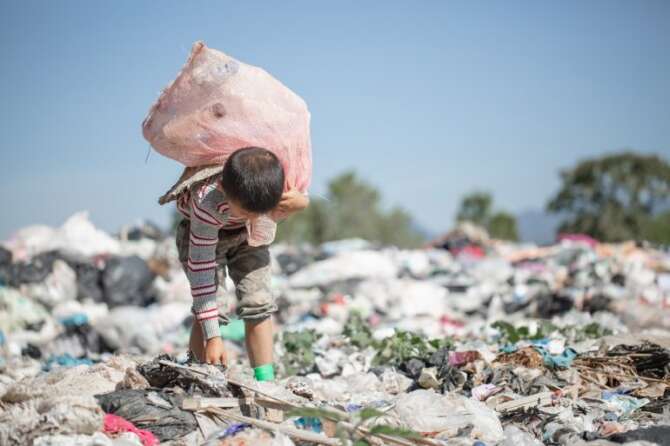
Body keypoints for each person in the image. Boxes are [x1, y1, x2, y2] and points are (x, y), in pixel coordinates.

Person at [173, 146, 309, 381]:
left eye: (261, 212)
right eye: (247, 211)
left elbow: (294, 199)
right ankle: (197, 376)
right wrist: (214, 338)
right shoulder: (207, 202)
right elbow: (202, 274)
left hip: (250, 238)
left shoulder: (271, 191)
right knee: (212, 307)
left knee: (259, 303)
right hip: (202, 237)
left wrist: (303, 202)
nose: (254, 216)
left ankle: (266, 381)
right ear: (225, 190)